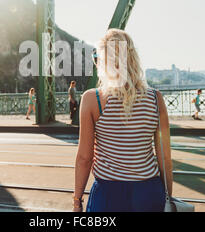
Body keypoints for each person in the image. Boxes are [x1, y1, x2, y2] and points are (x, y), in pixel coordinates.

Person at [73, 29, 173, 212]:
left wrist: (77, 201)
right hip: (149, 192)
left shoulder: (92, 100)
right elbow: (164, 157)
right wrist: (168, 199)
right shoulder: (156, 99)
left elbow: (84, 158)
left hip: (109, 194)